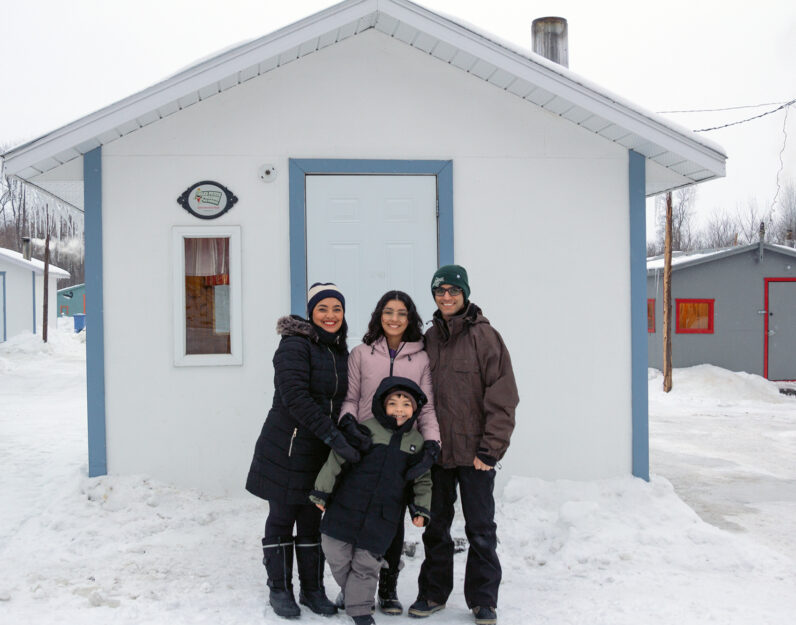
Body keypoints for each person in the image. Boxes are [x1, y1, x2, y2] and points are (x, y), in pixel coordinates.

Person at [408, 265, 519, 625]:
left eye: (453, 291)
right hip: (439, 452)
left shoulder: (486, 338)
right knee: (436, 527)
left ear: (465, 294)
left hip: (476, 456)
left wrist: (491, 449)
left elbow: (503, 397)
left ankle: (484, 599)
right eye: (440, 291)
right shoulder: (429, 338)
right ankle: (433, 593)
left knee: (481, 529)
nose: (447, 297)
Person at [245, 283, 362, 619]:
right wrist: (334, 437)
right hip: (288, 446)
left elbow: (343, 401)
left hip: (320, 452)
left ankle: (313, 589)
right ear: (311, 312)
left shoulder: (340, 352)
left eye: (337, 309)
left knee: (312, 519)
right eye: (323, 309)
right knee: (282, 518)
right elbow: (295, 399)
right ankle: (280, 589)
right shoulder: (294, 346)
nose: (330, 315)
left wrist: (349, 432)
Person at [337, 290, 441, 615]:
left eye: (401, 313)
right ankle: (352, 587)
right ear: (378, 315)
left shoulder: (421, 358)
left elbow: (427, 409)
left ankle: (388, 587)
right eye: (388, 311)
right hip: (366, 445)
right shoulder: (361, 353)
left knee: (390, 521)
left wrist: (432, 443)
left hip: (399, 449)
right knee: (355, 518)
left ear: (410, 319)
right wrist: (349, 425)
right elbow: (351, 398)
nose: (394, 318)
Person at [310, 377, 433, 625]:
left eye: (406, 404)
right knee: (334, 550)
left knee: (366, 565)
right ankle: (355, 593)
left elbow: (422, 480)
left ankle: (360, 611)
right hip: (346, 506)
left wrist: (421, 509)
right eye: (393, 403)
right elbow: (337, 459)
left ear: (415, 410)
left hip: (382, 516)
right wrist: (321, 492)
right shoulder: (366, 430)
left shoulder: (416, 443)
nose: (400, 409)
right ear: (381, 405)